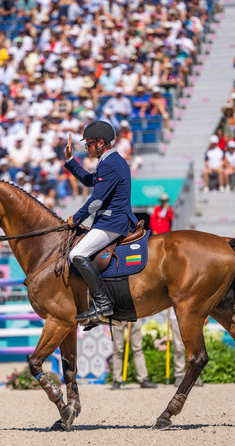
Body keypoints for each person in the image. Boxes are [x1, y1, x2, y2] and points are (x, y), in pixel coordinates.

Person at [64, 121, 137, 321]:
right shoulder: (108, 161)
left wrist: (76, 219)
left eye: (88, 144)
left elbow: (96, 201)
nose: (87, 148)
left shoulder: (112, 163)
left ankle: (103, 303)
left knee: (76, 254)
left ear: (101, 142)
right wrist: (70, 160)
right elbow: (89, 181)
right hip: (109, 221)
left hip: (112, 223)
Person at [111, 321, 158, 389]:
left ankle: (143, 379)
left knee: (138, 348)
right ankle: (116, 380)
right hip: (118, 315)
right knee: (118, 349)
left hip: (134, 315)